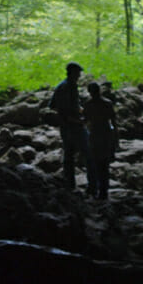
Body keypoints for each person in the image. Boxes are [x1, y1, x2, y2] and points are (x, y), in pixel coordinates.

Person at [48, 61, 90, 190]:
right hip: (72, 125)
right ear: (72, 73)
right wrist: (78, 120)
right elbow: (61, 108)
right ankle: (92, 186)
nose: (79, 76)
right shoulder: (66, 87)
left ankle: (70, 184)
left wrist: (81, 110)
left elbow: (53, 105)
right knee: (88, 152)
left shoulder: (67, 85)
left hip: (69, 125)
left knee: (69, 154)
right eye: (78, 73)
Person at [84, 82, 117, 200]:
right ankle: (104, 190)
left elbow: (85, 120)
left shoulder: (88, 105)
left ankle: (96, 188)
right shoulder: (107, 103)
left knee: (96, 163)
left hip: (95, 135)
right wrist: (115, 139)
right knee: (105, 163)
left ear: (90, 92)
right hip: (106, 134)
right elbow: (113, 122)